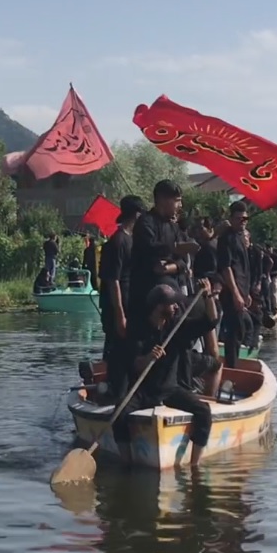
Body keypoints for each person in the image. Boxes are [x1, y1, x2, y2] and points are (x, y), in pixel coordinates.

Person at [113, 280, 222, 468]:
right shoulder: (138, 329)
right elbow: (135, 364)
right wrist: (148, 358)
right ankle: (127, 462)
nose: (176, 306)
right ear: (159, 306)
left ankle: (194, 464)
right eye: (171, 303)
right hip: (144, 390)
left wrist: (209, 296)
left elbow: (210, 321)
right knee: (119, 414)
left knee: (203, 411)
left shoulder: (176, 326)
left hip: (169, 389)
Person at [128, 180, 199, 321]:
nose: (180, 206)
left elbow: (183, 262)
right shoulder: (145, 223)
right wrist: (174, 248)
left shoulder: (174, 228)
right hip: (145, 296)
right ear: (162, 199)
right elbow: (150, 252)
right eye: (177, 201)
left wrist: (170, 267)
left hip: (172, 293)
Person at [98, 195, 146, 400]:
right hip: (117, 311)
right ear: (136, 215)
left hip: (130, 308)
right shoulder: (118, 242)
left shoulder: (132, 240)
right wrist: (120, 316)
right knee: (116, 353)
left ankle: (126, 392)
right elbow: (113, 280)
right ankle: (113, 393)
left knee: (130, 351)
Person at [216, 201, 254, 369]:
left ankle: (235, 362)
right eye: (238, 218)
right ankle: (232, 367)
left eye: (244, 219)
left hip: (242, 289)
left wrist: (246, 293)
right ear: (231, 219)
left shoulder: (241, 238)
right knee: (235, 329)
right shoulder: (227, 239)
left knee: (242, 327)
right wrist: (236, 293)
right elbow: (227, 268)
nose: (242, 222)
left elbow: (243, 267)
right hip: (232, 291)